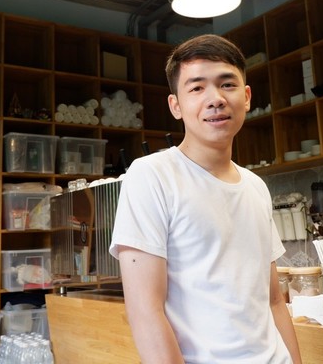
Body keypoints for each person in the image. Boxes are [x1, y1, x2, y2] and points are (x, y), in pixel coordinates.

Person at [109, 34, 302, 364]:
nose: (216, 99)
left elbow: (273, 301)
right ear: (176, 105)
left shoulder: (256, 186)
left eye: (227, 84)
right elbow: (145, 310)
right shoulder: (152, 175)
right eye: (197, 88)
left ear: (246, 97)